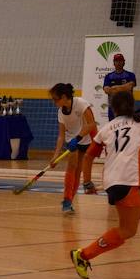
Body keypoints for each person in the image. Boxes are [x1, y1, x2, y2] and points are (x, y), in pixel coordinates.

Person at [70, 91, 140, 279]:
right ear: (133, 104)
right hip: (127, 182)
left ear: (114, 109)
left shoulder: (107, 128)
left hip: (115, 182)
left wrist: (87, 182)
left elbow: (89, 156)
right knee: (127, 230)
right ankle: (82, 255)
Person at [49, 83, 97, 214]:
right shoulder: (60, 112)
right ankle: (67, 200)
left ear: (64, 97)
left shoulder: (81, 103)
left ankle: (70, 200)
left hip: (84, 139)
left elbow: (92, 124)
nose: (54, 102)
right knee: (72, 166)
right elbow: (61, 136)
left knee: (78, 173)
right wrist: (55, 156)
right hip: (71, 141)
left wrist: (79, 137)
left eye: (55, 99)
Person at [102, 53, 136, 120]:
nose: (118, 63)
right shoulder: (108, 76)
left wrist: (114, 88)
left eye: (120, 61)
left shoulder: (130, 75)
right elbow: (107, 90)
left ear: (124, 62)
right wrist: (124, 88)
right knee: (113, 127)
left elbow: (129, 87)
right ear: (114, 63)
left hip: (127, 106)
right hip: (113, 108)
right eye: (116, 61)